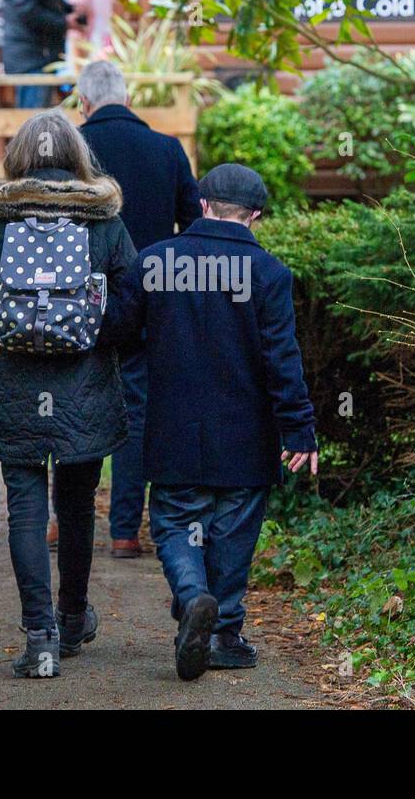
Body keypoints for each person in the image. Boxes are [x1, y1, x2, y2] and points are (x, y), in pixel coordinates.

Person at [113, 163, 318, 681]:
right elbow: (281, 358)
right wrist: (299, 429)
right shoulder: (270, 274)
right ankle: (225, 633)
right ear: (255, 216)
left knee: (176, 523)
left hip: (173, 429)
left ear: (202, 205)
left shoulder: (155, 262)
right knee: (233, 530)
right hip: (245, 436)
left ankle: (192, 597)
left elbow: (116, 330)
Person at [0, 110, 136, 679]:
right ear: (78, 155)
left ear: (19, 156)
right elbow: (130, 309)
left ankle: (40, 639)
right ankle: (75, 617)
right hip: (83, 388)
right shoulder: (103, 220)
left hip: (15, 386)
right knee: (78, 507)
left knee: (26, 512)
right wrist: (87, 335)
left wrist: (18, 327)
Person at [77, 60, 202, 559]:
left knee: (72, 407)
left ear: (84, 104)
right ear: (128, 100)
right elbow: (193, 223)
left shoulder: (74, 151)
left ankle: (65, 522)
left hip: (81, 300)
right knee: (134, 412)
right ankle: (125, 532)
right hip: (149, 301)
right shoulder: (168, 149)